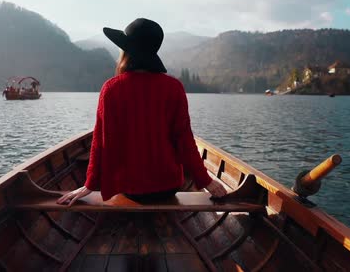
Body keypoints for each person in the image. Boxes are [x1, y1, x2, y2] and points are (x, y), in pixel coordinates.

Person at [57, 18, 226, 206]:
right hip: (167, 187)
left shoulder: (111, 88)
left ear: (127, 52)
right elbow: (184, 141)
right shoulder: (174, 87)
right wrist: (206, 181)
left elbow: (100, 142)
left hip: (127, 188)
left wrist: (89, 184)